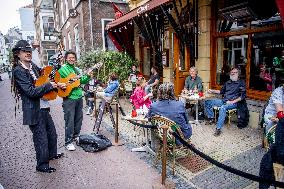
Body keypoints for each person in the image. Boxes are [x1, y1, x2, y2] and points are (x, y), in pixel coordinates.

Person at [11, 40, 63, 173]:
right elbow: (30, 91)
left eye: (29, 51)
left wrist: (55, 70)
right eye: (24, 51)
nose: (28, 53)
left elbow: (46, 75)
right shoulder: (18, 71)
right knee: (41, 138)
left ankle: (52, 154)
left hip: (44, 106)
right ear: (18, 54)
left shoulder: (32, 66)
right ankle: (41, 165)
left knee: (52, 134)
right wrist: (49, 85)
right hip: (34, 109)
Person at [58, 50, 92, 151]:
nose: (71, 59)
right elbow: (62, 81)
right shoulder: (63, 68)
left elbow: (81, 80)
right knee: (70, 120)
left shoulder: (77, 69)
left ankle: (76, 136)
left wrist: (88, 75)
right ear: (66, 58)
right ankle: (68, 142)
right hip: (69, 97)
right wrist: (73, 80)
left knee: (78, 119)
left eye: (73, 57)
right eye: (70, 57)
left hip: (78, 97)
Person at [204, 67, 246, 136]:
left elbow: (242, 96)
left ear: (238, 74)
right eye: (231, 72)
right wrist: (212, 90)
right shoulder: (228, 82)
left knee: (223, 108)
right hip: (224, 100)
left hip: (233, 103)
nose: (232, 74)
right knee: (207, 102)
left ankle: (218, 129)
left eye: (234, 72)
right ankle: (211, 118)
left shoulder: (241, 83)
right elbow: (221, 91)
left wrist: (232, 101)